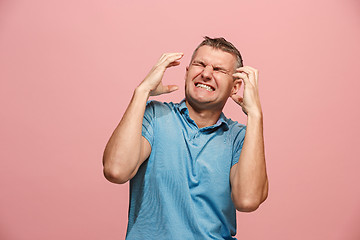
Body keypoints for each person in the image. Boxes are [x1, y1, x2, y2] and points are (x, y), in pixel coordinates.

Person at [103, 36, 268, 239]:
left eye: (218, 70)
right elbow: (116, 171)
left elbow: (247, 200)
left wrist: (255, 115)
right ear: (188, 73)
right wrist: (142, 91)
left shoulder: (239, 138)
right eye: (200, 64)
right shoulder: (154, 116)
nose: (206, 74)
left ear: (235, 87)